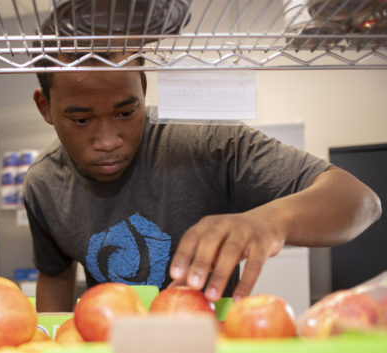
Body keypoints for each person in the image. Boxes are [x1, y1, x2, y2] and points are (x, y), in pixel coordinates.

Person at [22, 53, 382, 313]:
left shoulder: (209, 143)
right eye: (82, 120)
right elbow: (55, 276)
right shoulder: (43, 184)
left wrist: (269, 221)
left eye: (125, 112)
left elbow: (360, 201)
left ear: (143, 88)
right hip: (112, 349)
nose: (108, 140)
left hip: (212, 348)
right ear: (46, 108)